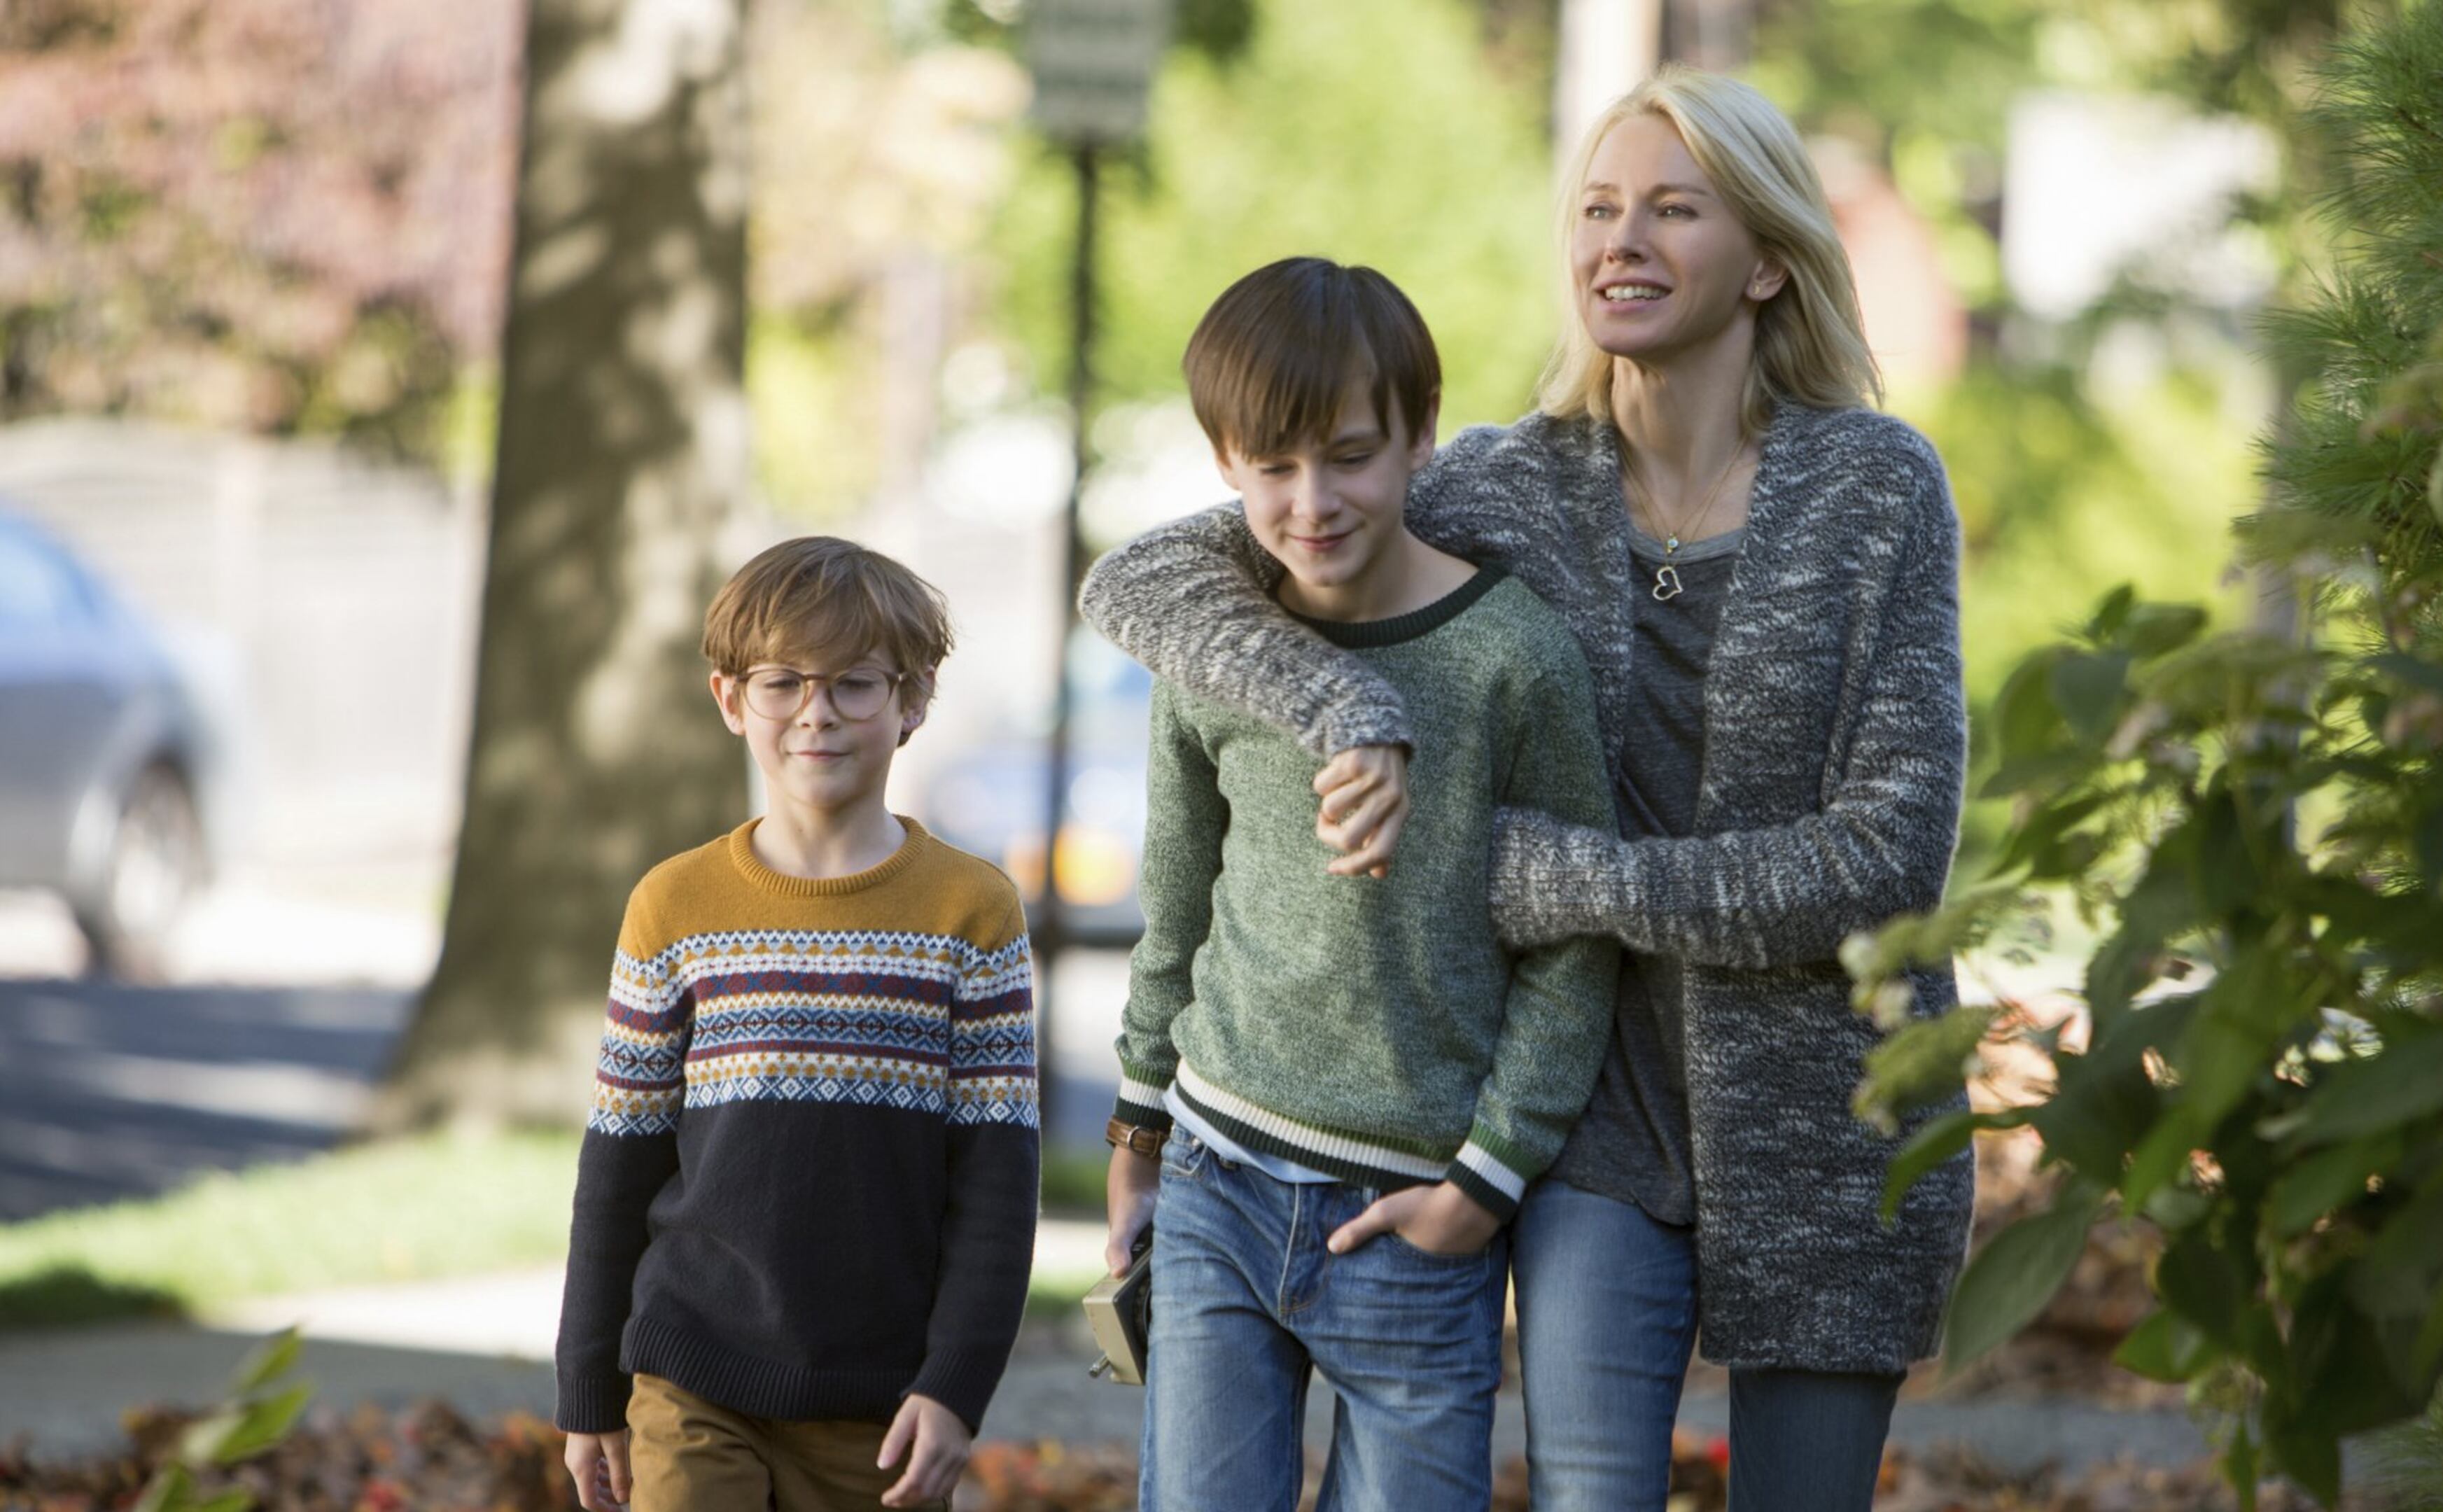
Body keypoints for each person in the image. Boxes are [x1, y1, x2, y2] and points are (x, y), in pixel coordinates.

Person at [1080, 68, 1973, 1512]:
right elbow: (1148, 575)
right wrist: (1345, 702)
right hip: (1592, 1124)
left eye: (1673, 210)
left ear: (1764, 263)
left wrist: (1570, 878)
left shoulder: (1877, 489)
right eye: (1600, 208)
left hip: (1827, 1120)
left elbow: (1887, 857)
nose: (1621, 238)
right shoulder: (1497, 486)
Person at [1100, 255, 1619, 1511]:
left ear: (1420, 438)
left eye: (1349, 456)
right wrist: (1136, 1135)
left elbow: (1573, 947)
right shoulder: (1213, 647)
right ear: (1225, 462)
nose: (1313, 501)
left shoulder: (1516, 660)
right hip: (1217, 1179)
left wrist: (1483, 1184)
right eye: (1272, 467)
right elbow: (1174, 908)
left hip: (1413, 1219)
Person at [554, 537, 1039, 1512]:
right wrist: (589, 1388)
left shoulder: (972, 910)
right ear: (733, 700)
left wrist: (955, 1387)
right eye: (782, 682)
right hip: (692, 1368)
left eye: (856, 684)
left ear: (914, 701)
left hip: (882, 1402)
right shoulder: (674, 904)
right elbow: (618, 1167)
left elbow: (995, 1184)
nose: (816, 713)